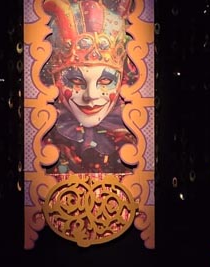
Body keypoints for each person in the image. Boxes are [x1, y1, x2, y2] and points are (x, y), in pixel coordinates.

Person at [39, 0, 138, 173]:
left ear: (121, 79)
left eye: (106, 81)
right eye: (76, 80)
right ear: (55, 79)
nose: (91, 95)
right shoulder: (43, 133)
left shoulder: (133, 133)